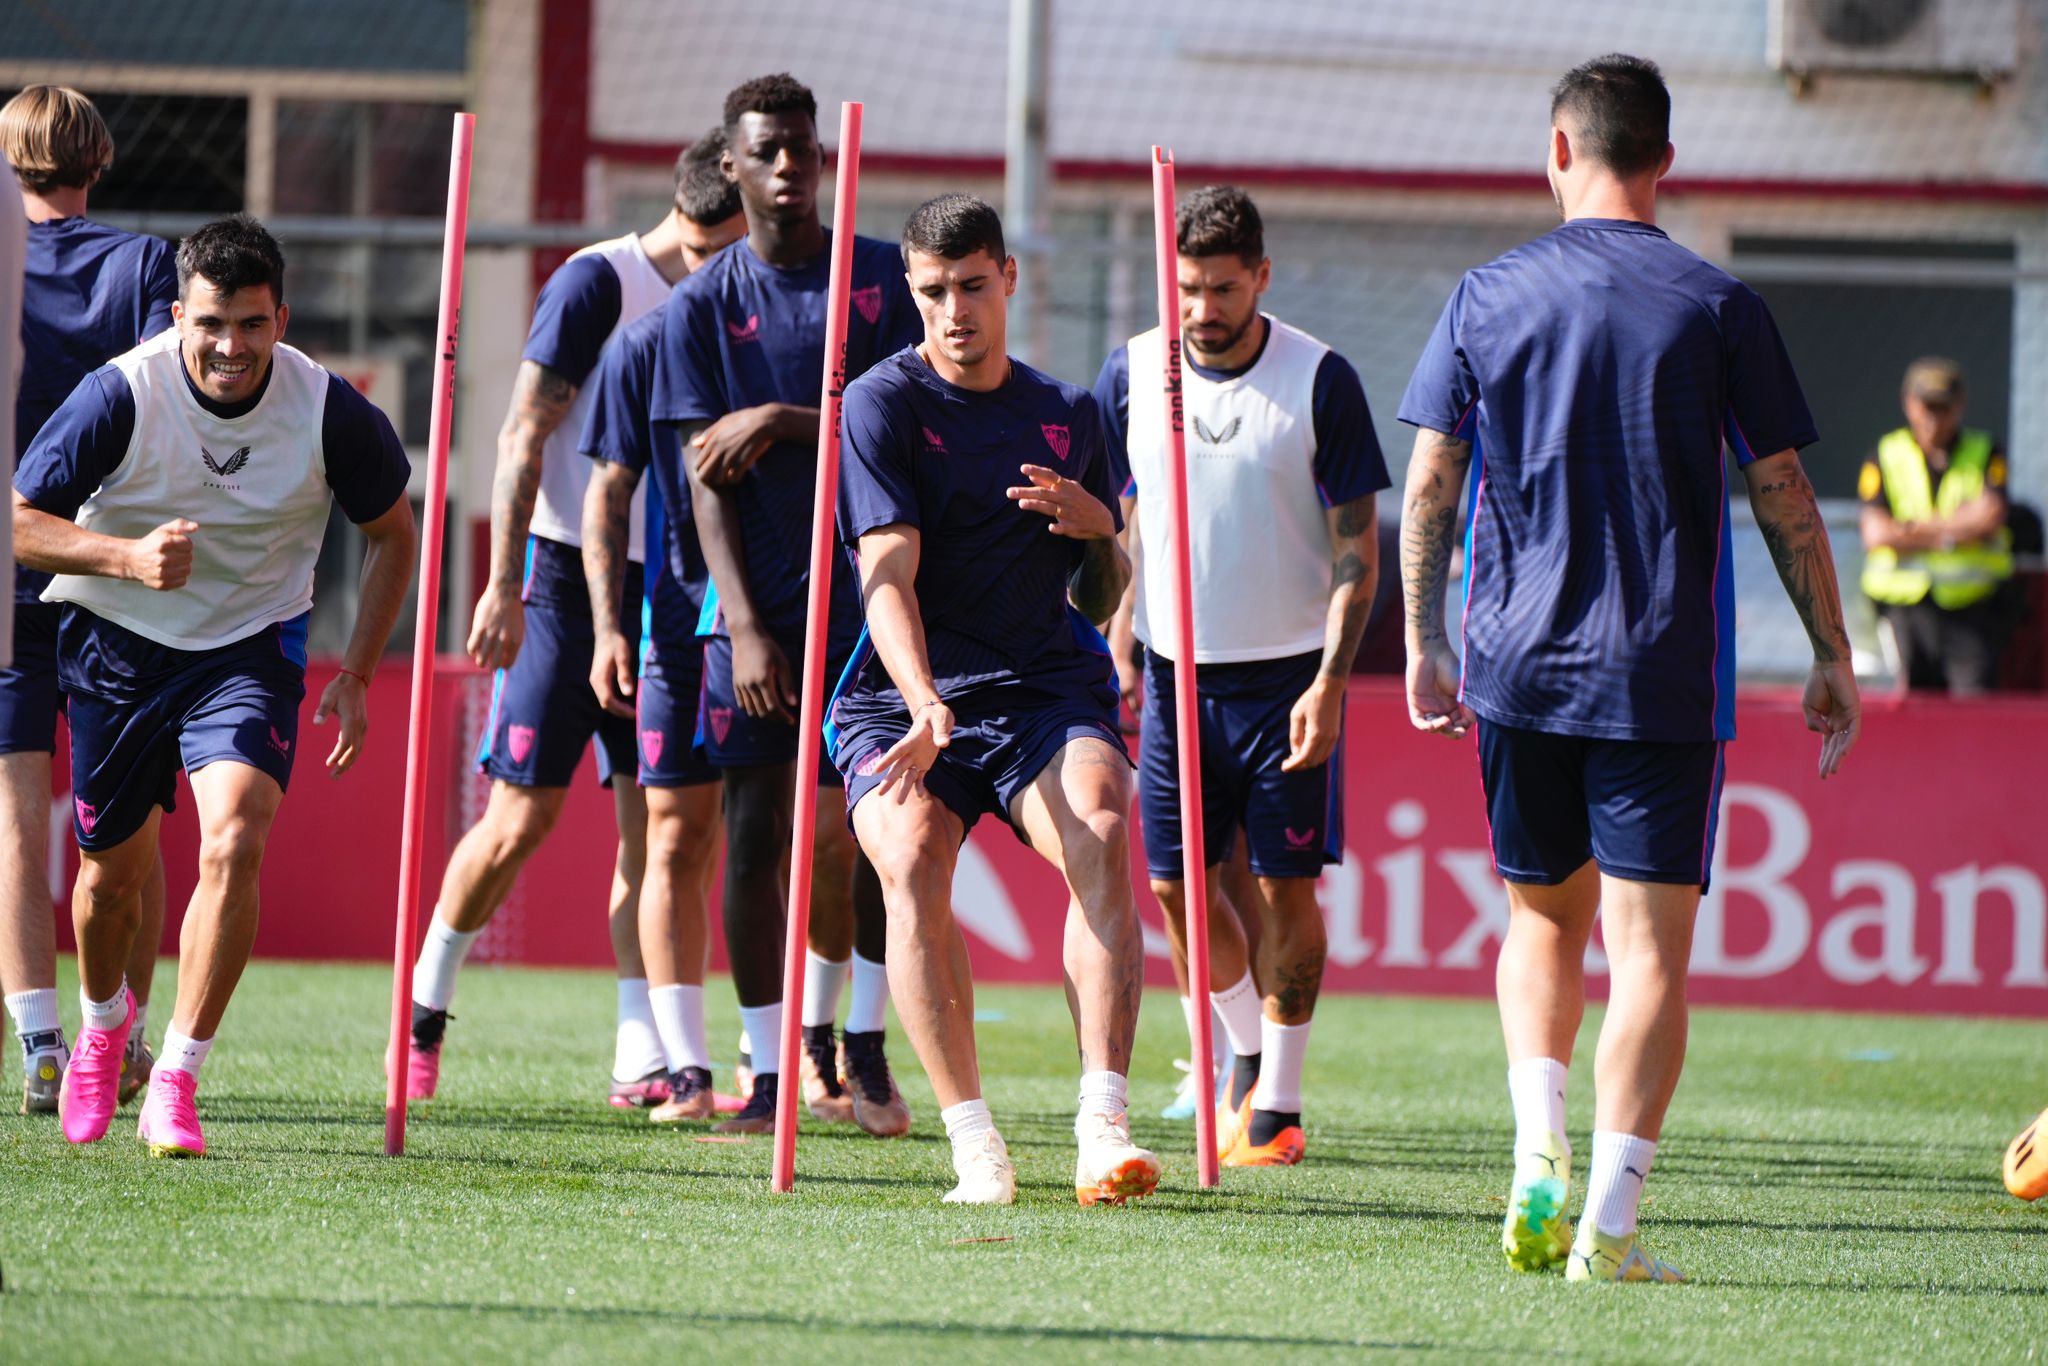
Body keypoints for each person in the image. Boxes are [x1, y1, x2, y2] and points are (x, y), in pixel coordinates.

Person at [1397, 55, 1859, 1282]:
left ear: (1556, 149)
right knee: (1647, 954)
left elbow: (1431, 479)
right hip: (1657, 673)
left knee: (1538, 922)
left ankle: (1533, 1153)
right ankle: (1604, 1227)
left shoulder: (1484, 296)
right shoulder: (1717, 304)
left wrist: (1423, 639)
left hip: (1515, 668)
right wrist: (1829, 648)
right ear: (1665, 161)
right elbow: (1781, 490)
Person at [14, 214, 417, 1155]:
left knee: (236, 836)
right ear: (176, 318)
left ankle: (178, 1081)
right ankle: (106, 1026)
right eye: (211, 325)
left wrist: (355, 672)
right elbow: (21, 519)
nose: (230, 346)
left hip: (246, 647)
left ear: (282, 317)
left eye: (250, 323)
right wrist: (123, 556)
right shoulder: (121, 391)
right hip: (117, 642)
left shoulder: (327, 409)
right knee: (110, 882)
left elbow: (393, 532)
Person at [397, 134, 741, 1110]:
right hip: (558, 572)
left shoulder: (741, 295)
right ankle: (424, 1006)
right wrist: (501, 582)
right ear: (698, 222)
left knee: (659, 826)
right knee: (521, 817)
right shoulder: (599, 284)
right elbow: (521, 433)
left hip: (673, 584)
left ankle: (642, 1050)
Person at [831, 193, 1158, 1206]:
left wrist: (1102, 530)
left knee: (1101, 829)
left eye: (972, 286)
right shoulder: (879, 404)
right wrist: (924, 700)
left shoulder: (1072, 414)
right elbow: (884, 576)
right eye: (931, 292)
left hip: (1042, 688)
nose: (953, 311)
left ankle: (1101, 1123)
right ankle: (974, 1143)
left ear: (1007, 278)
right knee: (911, 856)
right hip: (903, 696)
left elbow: (1104, 594)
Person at [1096, 185, 1386, 1167]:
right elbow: (1118, 518)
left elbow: (1358, 549)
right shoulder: (1129, 372)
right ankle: (1243, 1050)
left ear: (1259, 276)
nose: (1202, 310)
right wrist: (1122, 625)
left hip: (1287, 677)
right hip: (1176, 675)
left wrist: (1331, 683)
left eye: (1221, 289)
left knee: (1283, 886)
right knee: (1174, 885)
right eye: (1185, 289)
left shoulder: (1318, 379)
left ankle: (1278, 1104)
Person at [652, 74, 912, 1135]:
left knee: (885, 832)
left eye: (804, 147)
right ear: (732, 164)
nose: (790, 165)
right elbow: (700, 470)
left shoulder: (885, 277)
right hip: (752, 615)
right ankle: (767, 1077)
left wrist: (786, 414)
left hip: (874, 602)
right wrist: (745, 624)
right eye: (768, 150)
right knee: (756, 834)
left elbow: (905, 421)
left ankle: (867, 1048)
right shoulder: (697, 305)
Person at [2, 84, 174, 1116]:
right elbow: (166, 387)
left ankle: (37, 1041)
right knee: (130, 825)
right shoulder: (145, 263)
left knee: (18, 807)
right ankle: (133, 1036)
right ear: (97, 160)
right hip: (110, 565)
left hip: (12, 561)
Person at [1858, 357, 2015, 695]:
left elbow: (1990, 517)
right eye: (1926, 405)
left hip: (1972, 607)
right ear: (1907, 404)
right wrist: (1956, 528)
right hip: (1903, 606)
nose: (1933, 417)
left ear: (1960, 406)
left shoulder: (1986, 451)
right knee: (1910, 709)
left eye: (1942, 407)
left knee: (1973, 710)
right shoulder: (1886, 453)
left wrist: (1909, 529)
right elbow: (1876, 533)